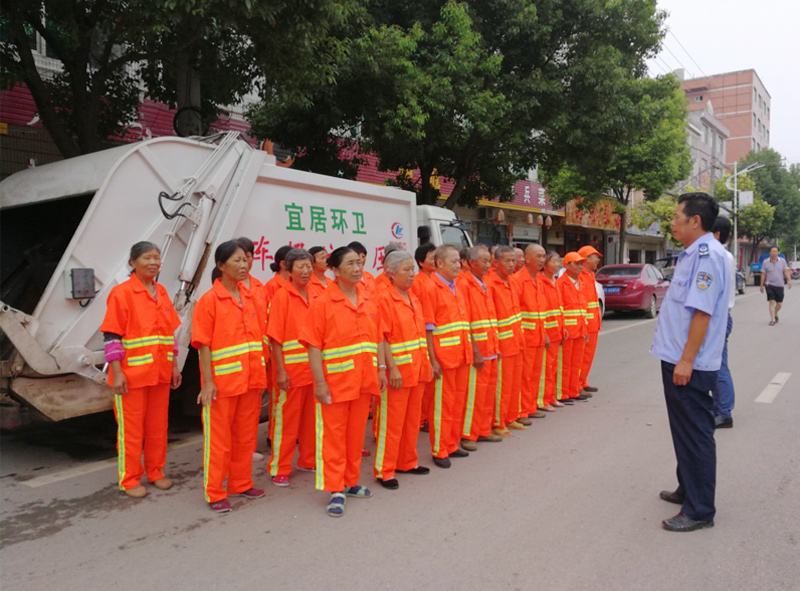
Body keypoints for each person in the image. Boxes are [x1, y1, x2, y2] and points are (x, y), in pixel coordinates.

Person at [650, 192, 731, 532]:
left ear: (695, 221)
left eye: (676, 216)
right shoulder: (693, 254)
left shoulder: (707, 256)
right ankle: (688, 487)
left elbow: (702, 313)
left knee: (696, 434)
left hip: (690, 364)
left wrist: (686, 361)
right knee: (683, 430)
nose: (672, 222)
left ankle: (699, 510)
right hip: (676, 357)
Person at [300, 247, 385, 517]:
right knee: (334, 438)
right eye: (350, 264)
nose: (358, 268)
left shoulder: (368, 299)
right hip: (336, 383)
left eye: (359, 263)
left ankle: (350, 481)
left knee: (355, 437)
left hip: (364, 380)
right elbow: (313, 346)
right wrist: (320, 383)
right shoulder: (323, 303)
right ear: (335, 270)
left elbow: (378, 338)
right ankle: (335, 488)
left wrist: (382, 369)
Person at [101, 241, 182, 498]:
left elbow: (169, 334)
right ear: (133, 262)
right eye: (147, 257)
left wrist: (175, 366)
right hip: (131, 376)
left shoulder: (161, 291)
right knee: (131, 431)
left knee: (158, 427)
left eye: (156, 257)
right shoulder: (121, 293)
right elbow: (111, 336)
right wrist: (117, 372)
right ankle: (129, 479)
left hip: (160, 373)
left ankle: (156, 472)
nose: (153, 262)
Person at [192, 240, 268, 513]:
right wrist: (208, 383)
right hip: (223, 385)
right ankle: (215, 492)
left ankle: (241, 483)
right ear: (221, 266)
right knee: (219, 441)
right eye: (237, 260)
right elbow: (203, 345)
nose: (244, 265)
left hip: (251, 380)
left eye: (245, 260)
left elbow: (256, 339)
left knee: (245, 438)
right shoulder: (209, 301)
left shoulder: (248, 296)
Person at [373, 251, 432, 489]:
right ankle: (385, 470)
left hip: (417, 368)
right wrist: (390, 368)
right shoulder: (383, 297)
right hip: (398, 371)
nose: (411, 274)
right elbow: (382, 338)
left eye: (412, 270)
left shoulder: (411, 296)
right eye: (406, 270)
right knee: (392, 423)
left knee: (411, 420)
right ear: (391, 273)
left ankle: (407, 461)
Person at [266, 248, 318, 486]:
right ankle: (280, 467)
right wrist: (281, 372)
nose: (306, 271)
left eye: (309, 266)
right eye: (301, 267)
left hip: (313, 371)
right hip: (291, 372)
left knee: (310, 420)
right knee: (286, 422)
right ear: (288, 270)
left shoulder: (316, 294)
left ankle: (308, 460)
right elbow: (275, 339)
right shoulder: (282, 297)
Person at [423, 245, 473, 468]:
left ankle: (452, 444)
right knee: (442, 405)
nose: (458, 265)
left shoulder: (456, 286)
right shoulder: (430, 288)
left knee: (457, 402)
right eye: (453, 261)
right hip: (444, 357)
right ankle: (440, 449)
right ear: (439, 263)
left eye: (458, 261)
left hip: (461, 354)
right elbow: (428, 328)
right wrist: (433, 360)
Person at [459, 246, 502, 449]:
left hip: (491, 347)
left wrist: (496, 346)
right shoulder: (464, 285)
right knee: (474, 395)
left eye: (488, 260)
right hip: (479, 350)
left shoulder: (484, 283)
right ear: (471, 263)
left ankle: (483, 429)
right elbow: (465, 321)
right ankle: (468, 433)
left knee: (487, 393)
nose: (488, 265)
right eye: (484, 261)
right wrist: (474, 350)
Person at [485, 246, 526, 434]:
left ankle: (510, 417)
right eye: (507, 261)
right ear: (496, 262)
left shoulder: (511, 281)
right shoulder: (490, 284)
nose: (511, 264)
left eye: (513, 260)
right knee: (501, 386)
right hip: (502, 344)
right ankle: (498, 422)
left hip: (516, 341)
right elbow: (491, 317)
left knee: (513, 384)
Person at [512, 243, 548, 419]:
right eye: (538, 256)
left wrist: (545, 334)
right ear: (527, 258)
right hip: (525, 337)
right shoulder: (518, 280)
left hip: (538, 336)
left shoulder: (539, 279)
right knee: (524, 376)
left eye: (544, 256)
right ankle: (521, 410)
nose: (542, 260)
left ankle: (531, 406)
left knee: (534, 374)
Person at [711, 218, 736, 429]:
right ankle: (718, 408)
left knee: (719, 367)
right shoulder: (722, 255)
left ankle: (724, 412)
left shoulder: (720, 256)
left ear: (716, 234)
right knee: (713, 366)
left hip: (718, 317)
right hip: (718, 316)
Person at [557, 252, 590, 402]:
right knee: (565, 364)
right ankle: (563, 393)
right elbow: (559, 308)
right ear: (567, 265)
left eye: (581, 263)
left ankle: (573, 391)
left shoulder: (581, 282)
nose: (580, 266)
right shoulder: (561, 283)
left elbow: (583, 308)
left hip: (580, 330)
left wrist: (586, 328)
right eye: (577, 263)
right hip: (568, 332)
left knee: (576, 363)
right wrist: (561, 328)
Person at [411, 242, 437, 432]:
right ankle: (422, 417)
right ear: (421, 262)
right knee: (426, 383)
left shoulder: (435, 279)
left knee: (432, 384)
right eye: (431, 258)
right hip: (424, 335)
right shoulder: (418, 282)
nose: (435, 261)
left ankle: (428, 416)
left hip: (436, 334)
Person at [539, 251, 568, 408]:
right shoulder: (540, 282)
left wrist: (563, 328)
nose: (557, 265)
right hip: (547, 333)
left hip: (556, 332)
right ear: (545, 264)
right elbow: (541, 311)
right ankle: (542, 400)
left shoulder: (554, 281)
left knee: (553, 368)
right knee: (545, 369)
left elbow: (559, 308)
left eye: (558, 261)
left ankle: (551, 397)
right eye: (554, 261)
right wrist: (544, 333)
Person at [577, 245, 603, 395]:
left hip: (594, 323)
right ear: (586, 259)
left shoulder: (590, 275)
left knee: (588, 356)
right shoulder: (579, 276)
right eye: (595, 257)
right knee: (581, 356)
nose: (598, 260)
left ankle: (583, 381)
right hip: (586, 323)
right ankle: (577, 384)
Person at [760, 246, 792, 325]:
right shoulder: (765, 262)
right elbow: (763, 274)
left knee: (779, 304)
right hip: (769, 284)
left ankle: (775, 313)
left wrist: (789, 280)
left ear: (778, 252)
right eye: (772, 251)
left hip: (780, 284)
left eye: (775, 251)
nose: (774, 253)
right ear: (769, 252)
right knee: (771, 301)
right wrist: (761, 285)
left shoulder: (782, 261)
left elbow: (786, 271)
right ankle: (773, 320)